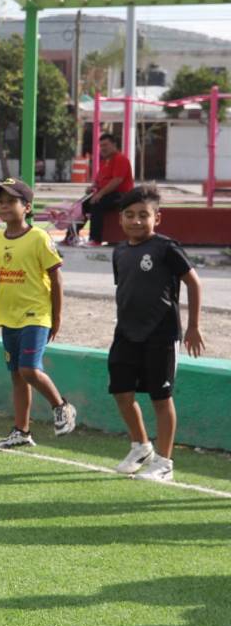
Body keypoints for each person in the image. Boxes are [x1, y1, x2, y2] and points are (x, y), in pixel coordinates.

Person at [108, 185, 204, 482]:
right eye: (130, 215)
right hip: (125, 333)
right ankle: (140, 447)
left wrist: (193, 326)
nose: (136, 221)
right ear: (121, 218)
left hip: (160, 335)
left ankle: (164, 462)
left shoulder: (166, 248)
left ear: (156, 218)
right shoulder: (119, 251)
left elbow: (194, 283)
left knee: (161, 398)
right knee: (122, 393)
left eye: (143, 215)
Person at [0, 178, 77, 449]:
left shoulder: (38, 237)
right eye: (0, 202)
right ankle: (21, 432)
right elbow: (4, 276)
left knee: (28, 369)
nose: (3, 206)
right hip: (8, 316)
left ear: (26, 207)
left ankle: (61, 406)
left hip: (36, 314)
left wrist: (56, 317)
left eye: (11, 201)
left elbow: (56, 278)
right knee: (17, 374)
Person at [74, 133, 133, 247]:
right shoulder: (104, 161)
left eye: (105, 145)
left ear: (114, 145)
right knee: (82, 205)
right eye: (101, 146)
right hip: (108, 194)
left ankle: (95, 239)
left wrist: (99, 194)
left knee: (96, 204)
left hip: (121, 195)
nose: (103, 148)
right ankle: (71, 235)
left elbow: (117, 181)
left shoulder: (121, 159)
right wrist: (92, 188)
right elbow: (99, 181)